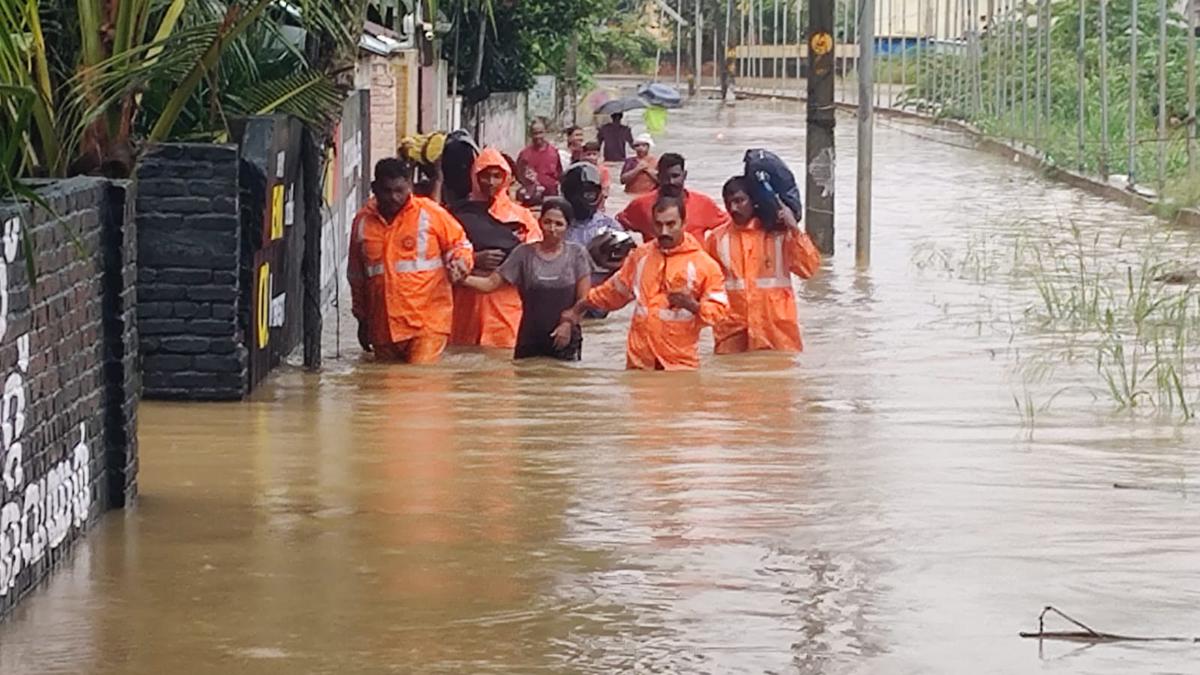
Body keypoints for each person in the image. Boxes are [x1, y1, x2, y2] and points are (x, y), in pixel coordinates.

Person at [562, 195, 729, 371]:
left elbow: (719, 313)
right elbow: (613, 292)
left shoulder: (704, 265)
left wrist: (692, 305)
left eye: (671, 224)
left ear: (684, 223)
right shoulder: (640, 256)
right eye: (658, 224)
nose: (664, 231)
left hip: (680, 366)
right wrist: (578, 308)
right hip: (640, 363)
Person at [347, 158, 474, 364]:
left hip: (427, 324)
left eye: (400, 190)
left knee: (417, 386)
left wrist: (461, 263)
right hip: (383, 327)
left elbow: (460, 245)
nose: (394, 198)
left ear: (410, 186)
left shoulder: (430, 213)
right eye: (387, 191)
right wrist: (362, 319)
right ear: (374, 188)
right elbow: (356, 276)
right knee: (385, 390)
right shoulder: (362, 222)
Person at [459, 198, 592, 361]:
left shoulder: (577, 254)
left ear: (568, 227)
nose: (552, 229)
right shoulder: (523, 253)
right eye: (547, 222)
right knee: (525, 383)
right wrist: (460, 278)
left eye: (559, 224)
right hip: (529, 339)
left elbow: (584, 300)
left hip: (564, 338)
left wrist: (568, 324)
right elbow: (490, 284)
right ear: (539, 223)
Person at [705, 176, 821, 355]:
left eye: (739, 201)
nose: (733, 208)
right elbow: (705, 285)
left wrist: (795, 230)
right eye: (728, 203)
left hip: (778, 333)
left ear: (754, 201)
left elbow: (808, 269)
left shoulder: (780, 235)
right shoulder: (716, 239)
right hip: (733, 335)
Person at [450, 147, 543, 349]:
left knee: (503, 370)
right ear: (475, 177)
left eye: (497, 176)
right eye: (485, 176)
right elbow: (444, 254)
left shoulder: (521, 216)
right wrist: (475, 258)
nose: (491, 182)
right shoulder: (457, 214)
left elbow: (535, 257)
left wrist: (506, 266)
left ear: (506, 178)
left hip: (506, 305)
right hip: (467, 304)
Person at [616, 153, 731, 242]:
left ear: (684, 175)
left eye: (675, 176)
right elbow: (617, 225)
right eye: (666, 177)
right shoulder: (641, 205)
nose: (671, 182)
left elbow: (730, 225)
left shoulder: (703, 204)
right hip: (656, 266)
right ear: (658, 177)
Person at [516, 118, 561, 197]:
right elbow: (518, 177)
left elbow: (559, 175)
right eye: (535, 133)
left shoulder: (554, 152)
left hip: (551, 196)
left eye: (540, 133)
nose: (538, 136)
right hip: (532, 197)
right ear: (530, 134)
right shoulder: (524, 154)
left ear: (545, 132)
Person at [580, 140, 612, 210]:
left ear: (599, 155)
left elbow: (606, 189)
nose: (591, 157)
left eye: (594, 154)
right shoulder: (579, 169)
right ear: (582, 155)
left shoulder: (603, 171)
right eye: (588, 154)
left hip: (599, 204)